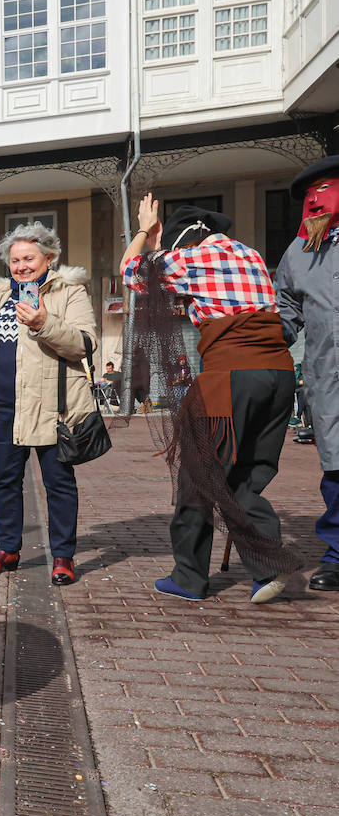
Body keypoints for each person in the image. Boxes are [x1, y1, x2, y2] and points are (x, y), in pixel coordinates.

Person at [123, 196, 298, 604]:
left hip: (230, 376)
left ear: (183, 241)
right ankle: (267, 568)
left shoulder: (196, 259)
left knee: (199, 475)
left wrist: (145, 232)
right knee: (247, 475)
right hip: (279, 374)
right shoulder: (249, 254)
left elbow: (131, 271)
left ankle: (189, 577)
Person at [0, 222, 97, 586]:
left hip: (51, 405)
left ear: (49, 257)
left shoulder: (69, 292)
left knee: (58, 482)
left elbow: (84, 344)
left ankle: (62, 556)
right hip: (3, 406)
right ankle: (8, 549)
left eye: (28, 258)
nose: (21, 266)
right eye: (14, 260)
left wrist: (44, 323)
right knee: (5, 480)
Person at [275, 154, 339, 591]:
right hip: (327, 377)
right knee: (337, 470)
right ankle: (337, 555)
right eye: (308, 195)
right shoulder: (298, 253)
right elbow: (285, 312)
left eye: (327, 188)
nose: (317, 201)